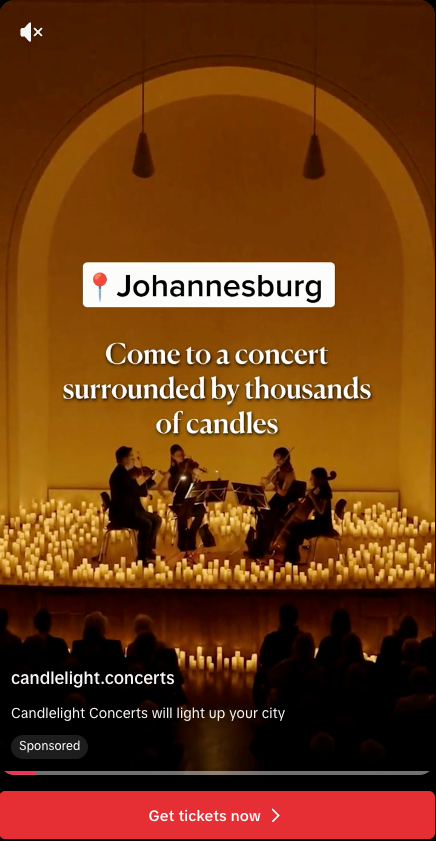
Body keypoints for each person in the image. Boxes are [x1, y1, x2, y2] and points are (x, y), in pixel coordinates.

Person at [109, 446, 162, 562]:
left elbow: (138, 491)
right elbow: (140, 492)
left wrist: (149, 481)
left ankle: (148, 551)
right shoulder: (120, 476)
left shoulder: (126, 473)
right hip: (122, 514)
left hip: (132, 510)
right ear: (124, 459)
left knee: (157, 520)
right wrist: (152, 480)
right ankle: (141, 557)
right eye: (131, 457)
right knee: (146, 524)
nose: (134, 460)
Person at [250, 447, 299, 557]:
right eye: (276, 459)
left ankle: (266, 544)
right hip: (278, 499)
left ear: (286, 459)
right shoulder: (277, 470)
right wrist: (264, 480)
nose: (277, 462)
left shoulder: (289, 473)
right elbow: (265, 480)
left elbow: (283, 493)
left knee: (269, 516)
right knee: (262, 513)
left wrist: (275, 485)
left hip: (286, 502)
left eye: (280, 459)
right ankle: (260, 544)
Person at [282, 467, 337, 564]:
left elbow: (320, 510)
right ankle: (291, 557)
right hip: (317, 523)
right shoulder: (318, 489)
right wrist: (295, 504)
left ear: (319, 479)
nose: (310, 479)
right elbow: (308, 501)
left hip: (323, 526)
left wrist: (312, 496)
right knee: (294, 528)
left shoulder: (325, 492)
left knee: (295, 530)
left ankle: (292, 559)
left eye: (312, 478)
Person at [157, 444, 205, 552]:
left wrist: (196, 476)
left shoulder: (189, 468)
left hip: (192, 500)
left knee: (201, 510)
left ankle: (192, 533)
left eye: (182, 454)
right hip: (179, 501)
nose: (181, 457)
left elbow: (195, 482)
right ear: (173, 457)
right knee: (182, 513)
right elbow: (160, 486)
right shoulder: (172, 470)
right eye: (178, 455)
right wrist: (165, 495)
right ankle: (182, 542)